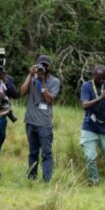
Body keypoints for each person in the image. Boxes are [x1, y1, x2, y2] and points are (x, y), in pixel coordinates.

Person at [20, 54, 61, 182]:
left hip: (44, 123)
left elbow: (49, 99)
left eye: (45, 65)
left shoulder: (55, 81)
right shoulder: (32, 78)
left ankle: (46, 179)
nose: (43, 67)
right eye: (40, 64)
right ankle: (31, 178)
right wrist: (30, 75)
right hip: (30, 121)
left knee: (46, 153)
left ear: (50, 67)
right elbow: (21, 92)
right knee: (33, 152)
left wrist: (42, 82)